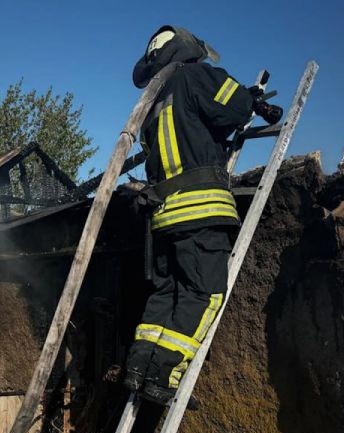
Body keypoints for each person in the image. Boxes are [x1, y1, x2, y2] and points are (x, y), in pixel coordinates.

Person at [122, 26, 282, 405]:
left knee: (166, 292)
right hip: (201, 210)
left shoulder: (153, 103)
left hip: (163, 218)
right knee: (204, 293)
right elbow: (237, 108)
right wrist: (252, 97)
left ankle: (138, 367)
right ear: (187, 51)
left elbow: (193, 133)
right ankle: (164, 375)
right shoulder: (195, 75)